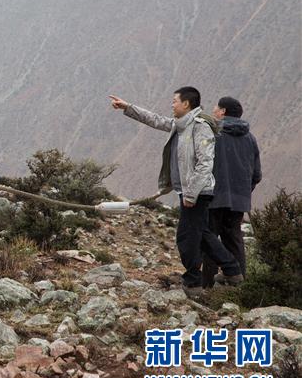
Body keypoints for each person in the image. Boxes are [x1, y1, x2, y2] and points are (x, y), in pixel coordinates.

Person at [109, 87, 242, 297]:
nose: (172, 105)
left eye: (174, 101)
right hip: (188, 191)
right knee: (203, 234)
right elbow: (155, 120)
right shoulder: (180, 126)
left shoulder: (200, 128)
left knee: (186, 237)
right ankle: (232, 270)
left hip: (197, 193)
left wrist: (191, 194)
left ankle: (193, 283)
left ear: (186, 104)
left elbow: (205, 163)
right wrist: (128, 107)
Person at [202, 96, 262, 287]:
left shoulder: (213, 133)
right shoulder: (250, 138)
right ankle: (238, 285)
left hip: (213, 196)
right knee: (234, 239)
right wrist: (243, 191)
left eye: (216, 108)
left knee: (210, 239)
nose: (214, 111)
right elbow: (257, 174)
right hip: (239, 200)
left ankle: (207, 286)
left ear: (223, 112)